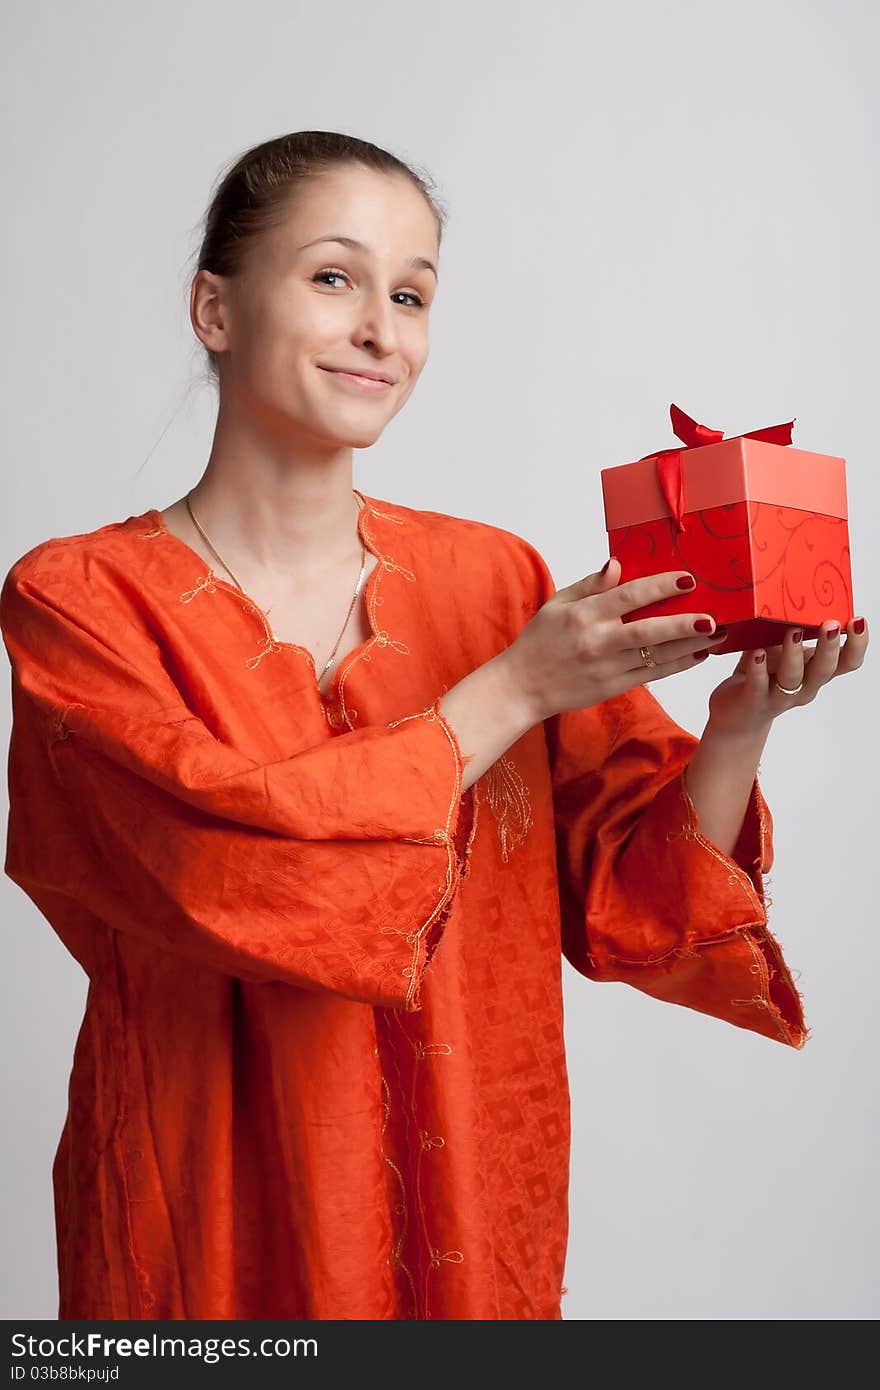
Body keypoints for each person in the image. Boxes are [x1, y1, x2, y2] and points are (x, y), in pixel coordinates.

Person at [0, 130, 867, 1323]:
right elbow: (230, 874)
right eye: (332, 277)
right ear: (214, 307)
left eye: (411, 294)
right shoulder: (78, 599)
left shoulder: (495, 584)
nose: (381, 330)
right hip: (201, 1210)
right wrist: (508, 693)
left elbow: (630, 892)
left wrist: (736, 724)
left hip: (469, 1206)